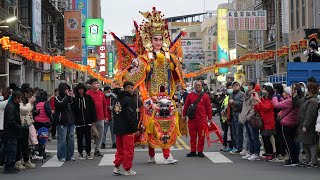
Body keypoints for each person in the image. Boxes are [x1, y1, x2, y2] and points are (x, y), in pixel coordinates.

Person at [111, 7, 184, 164]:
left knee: (167, 126)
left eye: (160, 39)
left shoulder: (169, 57)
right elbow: (138, 81)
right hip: (150, 98)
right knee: (150, 127)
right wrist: (145, 98)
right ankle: (152, 155)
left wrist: (175, 65)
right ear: (149, 41)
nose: (158, 42)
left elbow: (176, 78)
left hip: (167, 98)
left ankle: (166, 155)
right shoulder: (143, 59)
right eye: (155, 39)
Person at [113, 81, 139, 176]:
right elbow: (130, 116)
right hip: (127, 129)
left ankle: (117, 167)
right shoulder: (128, 100)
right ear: (127, 88)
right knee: (128, 149)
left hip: (118, 127)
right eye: (132, 88)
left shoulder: (117, 99)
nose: (133, 90)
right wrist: (135, 129)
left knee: (120, 149)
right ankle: (127, 169)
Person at [182, 81, 212, 157]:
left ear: (202, 86)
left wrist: (210, 118)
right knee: (192, 137)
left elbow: (208, 108)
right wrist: (184, 115)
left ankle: (200, 151)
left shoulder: (205, 96)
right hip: (192, 120)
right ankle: (192, 151)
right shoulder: (190, 95)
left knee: (201, 136)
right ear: (194, 86)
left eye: (199, 85)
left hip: (202, 120)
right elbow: (186, 106)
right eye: (196, 85)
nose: (198, 86)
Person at [272, 86, 300, 166]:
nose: (282, 94)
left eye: (284, 92)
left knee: (288, 143)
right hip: (294, 124)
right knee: (293, 143)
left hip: (286, 124)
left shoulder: (288, 101)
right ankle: (295, 158)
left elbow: (276, 105)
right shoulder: (296, 101)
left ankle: (292, 160)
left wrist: (274, 96)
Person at [295, 82, 319, 168]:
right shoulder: (307, 99)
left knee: (311, 144)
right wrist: (294, 95)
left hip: (309, 125)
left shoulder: (313, 101)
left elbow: (310, 115)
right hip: (303, 123)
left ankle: (313, 161)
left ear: (310, 90)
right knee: (305, 143)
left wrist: (305, 125)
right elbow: (298, 104)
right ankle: (308, 160)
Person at [73, 83, 97, 160]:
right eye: (79, 89)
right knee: (79, 138)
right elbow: (73, 111)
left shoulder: (88, 98)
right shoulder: (75, 99)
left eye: (82, 89)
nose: (81, 91)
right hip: (78, 122)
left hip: (88, 121)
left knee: (88, 138)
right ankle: (80, 153)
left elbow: (93, 109)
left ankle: (88, 153)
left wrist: (93, 120)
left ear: (84, 90)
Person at [86, 78, 108, 157]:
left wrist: (106, 116)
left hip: (100, 117)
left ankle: (97, 149)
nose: (96, 84)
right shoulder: (88, 93)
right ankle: (88, 150)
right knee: (90, 134)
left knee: (100, 134)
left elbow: (104, 105)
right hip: (91, 118)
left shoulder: (101, 93)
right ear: (91, 85)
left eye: (97, 83)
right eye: (95, 83)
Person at [239, 81, 261, 161]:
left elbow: (254, 107)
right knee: (249, 136)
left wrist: (248, 116)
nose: (247, 87)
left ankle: (256, 153)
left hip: (251, 117)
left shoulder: (254, 94)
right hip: (246, 117)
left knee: (254, 136)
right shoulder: (246, 94)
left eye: (248, 85)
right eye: (246, 85)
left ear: (252, 86)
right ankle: (251, 152)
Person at [16, 85, 36, 170]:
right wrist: (29, 103)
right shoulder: (21, 101)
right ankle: (18, 161)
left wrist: (30, 103)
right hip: (20, 124)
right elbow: (24, 110)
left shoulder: (27, 101)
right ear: (25, 93)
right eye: (29, 94)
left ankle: (26, 160)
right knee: (19, 144)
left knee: (25, 144)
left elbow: (29, 110)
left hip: (26, 124)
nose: (30, 96)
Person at [253, 85, 276, 161]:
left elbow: (266, 108)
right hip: (263, 121)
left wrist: (259, 101)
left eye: (265, 90)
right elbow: (259, 109)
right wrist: (256, 103)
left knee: (267, 138)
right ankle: (267, 153)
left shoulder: (271, 100)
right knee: (264, 138)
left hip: (269, 122)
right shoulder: (263, 99)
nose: (263, 91)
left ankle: (271, 153)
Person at [54, 83, 76, 162]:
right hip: (62, 122)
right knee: (62, 139)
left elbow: (75, 107)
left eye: (68, 89)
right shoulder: (57, 98)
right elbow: (61, 105)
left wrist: (73, 98)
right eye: (65, 89)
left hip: (71, 121)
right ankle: (62, 156)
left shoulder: (70, 98)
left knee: (71, 139)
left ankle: (70, 155)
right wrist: (67, 97)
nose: (67, 90)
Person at [2, 91, 22, 174]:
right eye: (20, 98)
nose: (21, 100)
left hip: (11, 131)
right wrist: (18, 127)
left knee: (12, 149)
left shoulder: (13, 105)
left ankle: (10, 165)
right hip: (10, 132)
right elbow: (11, 121)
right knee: (11, 150)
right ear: (16, 98)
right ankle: (8, 167)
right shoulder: (11, 107)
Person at [33, 91, 52, 158]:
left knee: (38, 137)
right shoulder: (45, 104)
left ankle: (39, 151)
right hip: (44, 123)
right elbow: (49, 113)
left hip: (37, 123)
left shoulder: (37, 104)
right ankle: (42, 152)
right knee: (43, 138)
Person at [229, 81, 245, 154]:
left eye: (237, 85)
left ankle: (239, 147)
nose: (235, 86)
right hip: (232, 115)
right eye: (234, 85)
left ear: (239, 86)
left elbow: (241, 104)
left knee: (239, 131)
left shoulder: (241, 94)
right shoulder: (231, 94)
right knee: (234, 132)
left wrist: (233, 102)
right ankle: (236, 146)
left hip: (239, 114)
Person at [220, 83, 234, 152]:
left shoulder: (232, 97)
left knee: (230, 132)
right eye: (229, 88)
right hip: (224, 118)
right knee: (225, 132)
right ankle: (225, 145)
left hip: (229, 117)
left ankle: (230, 146)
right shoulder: (225, 96)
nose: (230, 89)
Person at [0, 93, 8, 168]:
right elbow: (9, 101)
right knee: (3, 144)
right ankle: (1, 161)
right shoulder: (2, 105)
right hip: (2, 128)